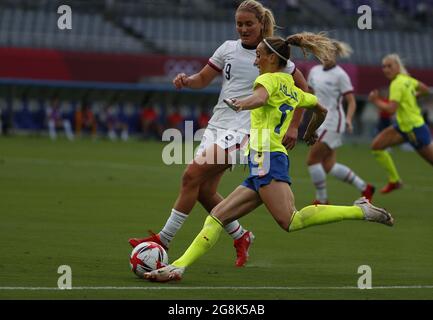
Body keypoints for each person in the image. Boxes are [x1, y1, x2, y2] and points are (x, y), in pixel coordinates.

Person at [142, 35, 394, 282]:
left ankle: (359, 210)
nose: (255, 61)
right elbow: (320, 107)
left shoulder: (268, 80)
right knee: (216, 216)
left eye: (259, 56)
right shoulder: (291, 88)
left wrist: (242, 104)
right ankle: (177, 267)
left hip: (268, 159)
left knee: (291, 220)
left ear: (272, 59)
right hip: (261, 161)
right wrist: (309, 131)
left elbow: (260, 98)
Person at [128, 0, 311, 268]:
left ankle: (163, 240)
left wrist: (295, 126)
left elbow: (304, 91)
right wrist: (187, 81)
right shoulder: (228, 49)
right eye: (239, 23)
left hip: (245, 130)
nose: (243, 28)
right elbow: (203, 79)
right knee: (204, 190)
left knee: (190, 174)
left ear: (261, 24)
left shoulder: (273, 57)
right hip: (218, 124)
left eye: (249, 24)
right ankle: (241, 236)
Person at [306, 39, 374, 204]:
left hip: (333, 122)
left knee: (312, 160)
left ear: (336, 55)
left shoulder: (340, 75)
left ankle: (322, 199)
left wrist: (349, 119)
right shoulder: (314, 71)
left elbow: (351, 101)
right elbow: (309, 94)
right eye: (324, 52)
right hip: (319, 121)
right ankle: (365, 187)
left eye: (331, 53)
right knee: (329, 166)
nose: (327, 55)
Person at [369, 53, 433, 193]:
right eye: (384, 67)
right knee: (376, 146)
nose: (386, 69)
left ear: (398, 66)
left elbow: (391, 109)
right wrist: (412, 96)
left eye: (389, 66)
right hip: (403, 127)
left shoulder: (397, 84)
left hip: (414, 129)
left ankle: (395, 180)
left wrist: (375, 101)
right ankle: (395, 180)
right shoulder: (407, 79)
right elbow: (425, 90)